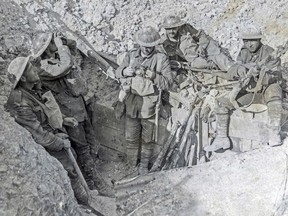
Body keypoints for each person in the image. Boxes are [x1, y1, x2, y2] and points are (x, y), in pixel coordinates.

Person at [32, 32, 114, 197]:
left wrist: (64, 42)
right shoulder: (43, 67)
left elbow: (74, 47)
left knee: (90, 143)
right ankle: (99, 185)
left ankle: (91, 181)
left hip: (80, 108)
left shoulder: (57, 58)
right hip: (69, 114)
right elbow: (66, 66)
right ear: (46, 48)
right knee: (82, 149)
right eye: (51, 42)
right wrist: (61, 46)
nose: (55, 44)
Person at [5, 56, 89, 204]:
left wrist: (63, 119)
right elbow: (40, 136)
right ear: (23, 78)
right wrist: (61, 143)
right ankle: (84, 203)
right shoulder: (22, 103)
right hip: (46, 146)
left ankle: (83, 196)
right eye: (31, 68)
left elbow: (45, 110)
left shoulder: (32, 89)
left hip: (52, 134)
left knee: (73, 159)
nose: (35, 69)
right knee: (69, 171)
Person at [204, 30, 283, 152]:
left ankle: (274, 133)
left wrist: (260, 74)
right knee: (222, 102)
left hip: (266, 88)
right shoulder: (243, 53)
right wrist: (240, 70)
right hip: (250, 91)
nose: (249, 44)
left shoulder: (270, 52)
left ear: (259, 40)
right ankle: (221, 138)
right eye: (246, 41)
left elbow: (276, 75)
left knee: (275, 95)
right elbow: (234, 68)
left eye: (252, 40)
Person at [115, 26, 173, 175]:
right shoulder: (131, 55)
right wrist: (123, 71)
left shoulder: (161, 59)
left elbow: (168, 82)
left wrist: (152, 75)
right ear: (139, 44)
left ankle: (143, 167)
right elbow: (117, 72)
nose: (147, 49)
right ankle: (131, 165)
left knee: (148, 139)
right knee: (131, 137)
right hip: (132, 103)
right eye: (145, 46)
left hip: (149, 106)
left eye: (151, 46)